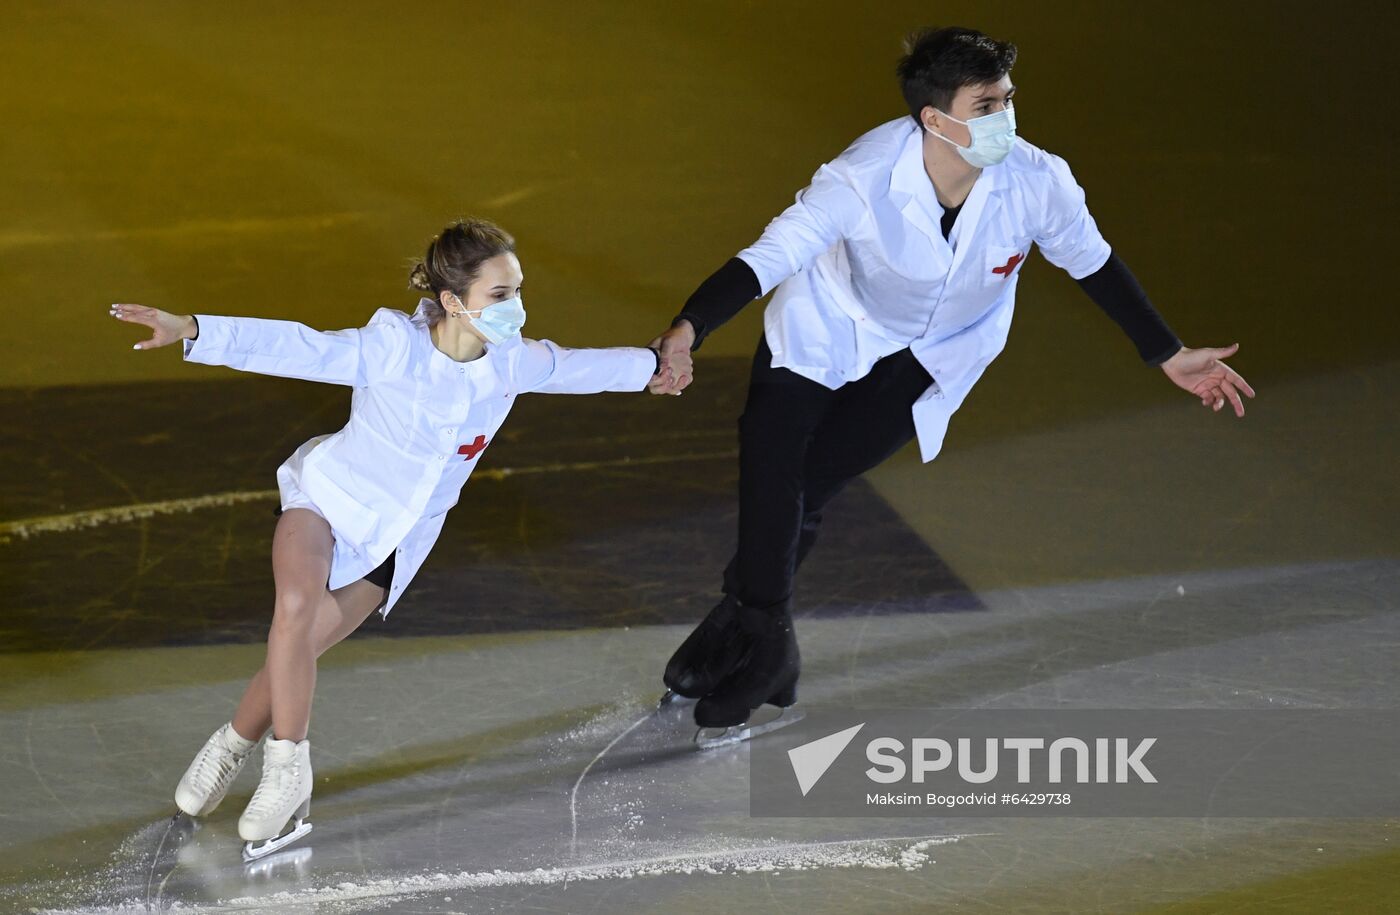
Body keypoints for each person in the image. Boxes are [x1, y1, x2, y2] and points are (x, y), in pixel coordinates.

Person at [648, 26, 1256, 734]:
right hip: (832, 322)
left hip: (939, 349)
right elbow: (772, 253)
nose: (1007, 118)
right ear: (934, 119)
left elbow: (1093, 263)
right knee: (769, 456)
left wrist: (1168, 353)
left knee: (808, 485)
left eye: (1009, 100)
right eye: (988, 104)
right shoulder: (862, 176)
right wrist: (690, 327)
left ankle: (749, 630)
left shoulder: (1037, 179)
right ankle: (765, 642)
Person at [111, 218, 690, 859]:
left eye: (518, 291)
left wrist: (656, 366)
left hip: (395, 541)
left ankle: (231, 745)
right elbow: (301, 348)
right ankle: (286, 767)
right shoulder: (393, 347)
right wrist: (193, 328)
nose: (516, 308)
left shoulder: (510, 365)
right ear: (452, 302)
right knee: (294, 613)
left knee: (295, 649)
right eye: (500, 295)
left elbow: (579, 368)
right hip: (328, 500)